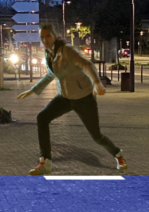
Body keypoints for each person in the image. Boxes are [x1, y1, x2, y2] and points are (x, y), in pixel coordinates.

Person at [16, 25, 127, 175]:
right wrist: (33, 89)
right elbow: (51, 74)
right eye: (42, 37)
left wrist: (96, 82)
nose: (45, 40)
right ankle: (46, 162)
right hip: (65, 97)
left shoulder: (67, 50)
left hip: (84, 98)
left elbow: (87, 65)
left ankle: (118, 154)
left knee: (97, 136)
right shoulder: (49, 53)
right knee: (42, 118)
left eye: (48, 36)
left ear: (55, 36)